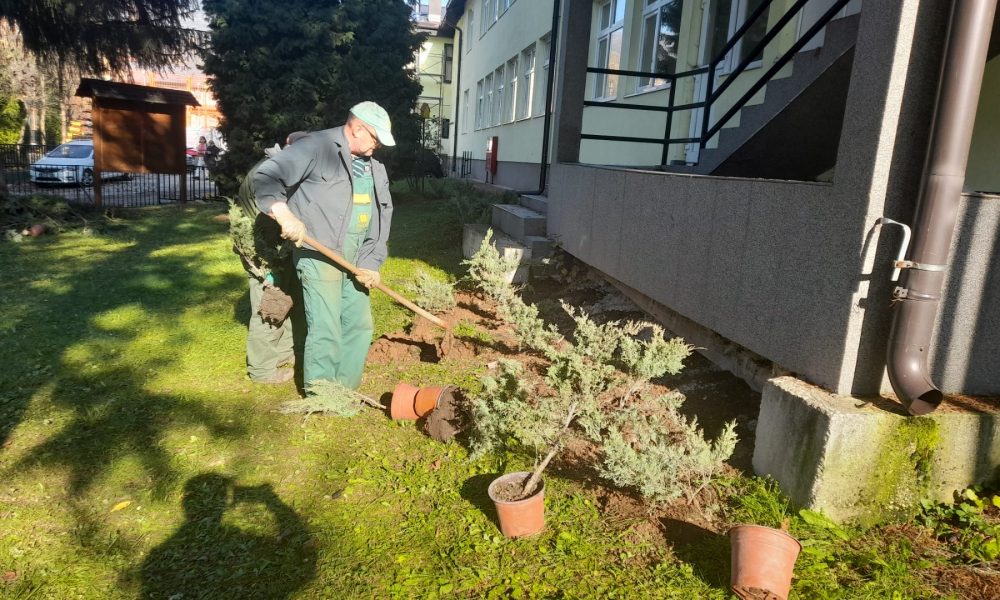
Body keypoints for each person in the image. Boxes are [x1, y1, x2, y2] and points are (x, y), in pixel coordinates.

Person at [254, 102, 395, 391]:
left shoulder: (375, 168)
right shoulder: (316, 147)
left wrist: (372, 261)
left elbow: (383, 214)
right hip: (320, 252)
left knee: (359, 324)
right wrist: (284, 214)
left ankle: (345, 389)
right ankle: (322, 394)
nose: (378, 145)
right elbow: (267, 176)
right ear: (357, 129)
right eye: (375, 137)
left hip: (358, 254)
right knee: (326, 327)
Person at [233, 131, 308, 384]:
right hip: (263, 254)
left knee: (286, 298)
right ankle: (263, 371)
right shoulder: (267, 173)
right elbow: (266, 220)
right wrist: (268, 266)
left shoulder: (278, 167)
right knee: (270, 306)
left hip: (274, 249)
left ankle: (282, 354)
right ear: (288, 146)